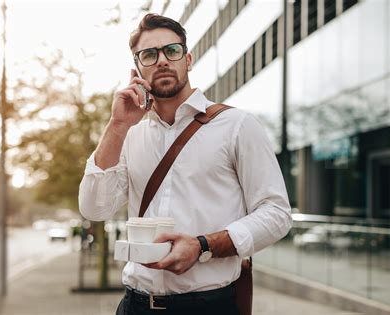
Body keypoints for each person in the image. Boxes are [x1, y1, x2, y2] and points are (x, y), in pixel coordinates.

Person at [78, 13, 292, 315]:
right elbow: (93, 208)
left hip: (209, 306)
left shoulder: (237, 125)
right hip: (135, 305)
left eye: (172, 50)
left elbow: (277, 214)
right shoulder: (129, 132)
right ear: (137, 69)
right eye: (149, 55)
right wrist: (116, 125)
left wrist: (203, 245)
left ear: (188, 59)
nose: (162, 60)